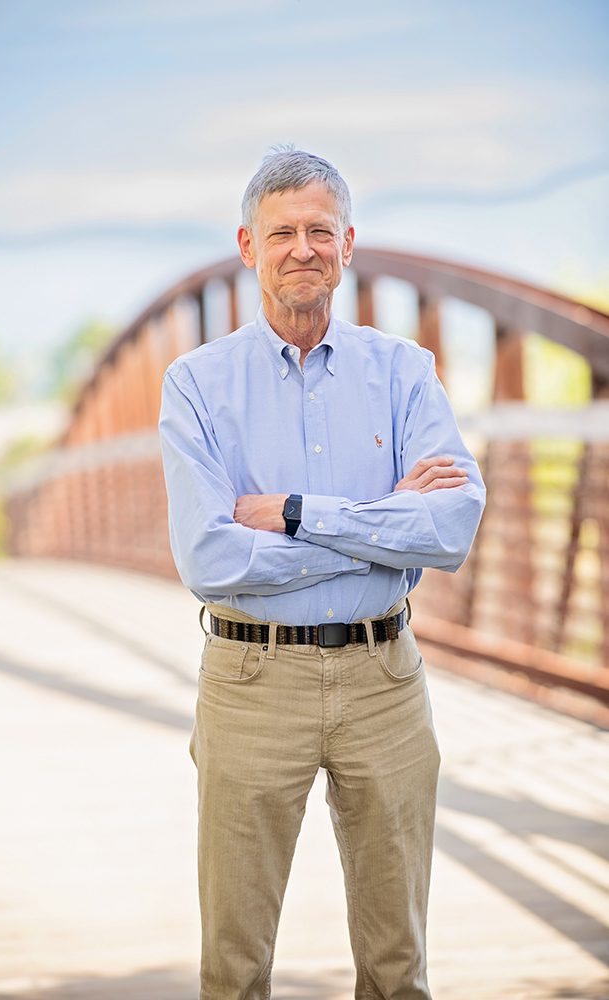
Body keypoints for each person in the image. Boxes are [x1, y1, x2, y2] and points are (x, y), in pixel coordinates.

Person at [158, 147, 486, 1000]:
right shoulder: (194, 385)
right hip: (251, 678)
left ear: (347, 245)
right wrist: (383, 523)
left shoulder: (404, 371)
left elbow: (449, 527)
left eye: (318, 231)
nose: (301, 248)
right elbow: (210, 557)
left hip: (385, 680)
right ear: (245, 245)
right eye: (281, 233)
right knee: (234, 965)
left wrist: (300, 511)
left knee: (396, 966)